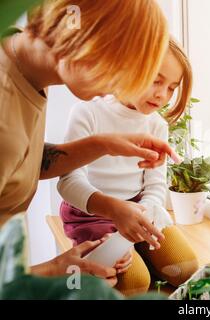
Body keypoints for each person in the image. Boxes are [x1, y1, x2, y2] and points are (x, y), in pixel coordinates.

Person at [0, 0, 179, 287]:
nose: (126, 85)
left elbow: (26, 161)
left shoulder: (22, 63)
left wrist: (103, 144)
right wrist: (54, 270)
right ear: (90, 38)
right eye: (126, 68)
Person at [58, 38, 199, 296]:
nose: (163, 95)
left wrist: (144, 216)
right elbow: (68, 181)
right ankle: (135, 256)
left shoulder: (157, 125)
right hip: (93, 212)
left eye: (171, 87)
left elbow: (155, 185)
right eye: (157, 81)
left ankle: (140, 251)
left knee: (185, 269)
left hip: (139, 208)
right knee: (134, 284)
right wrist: (117, 218)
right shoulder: (87, 113)